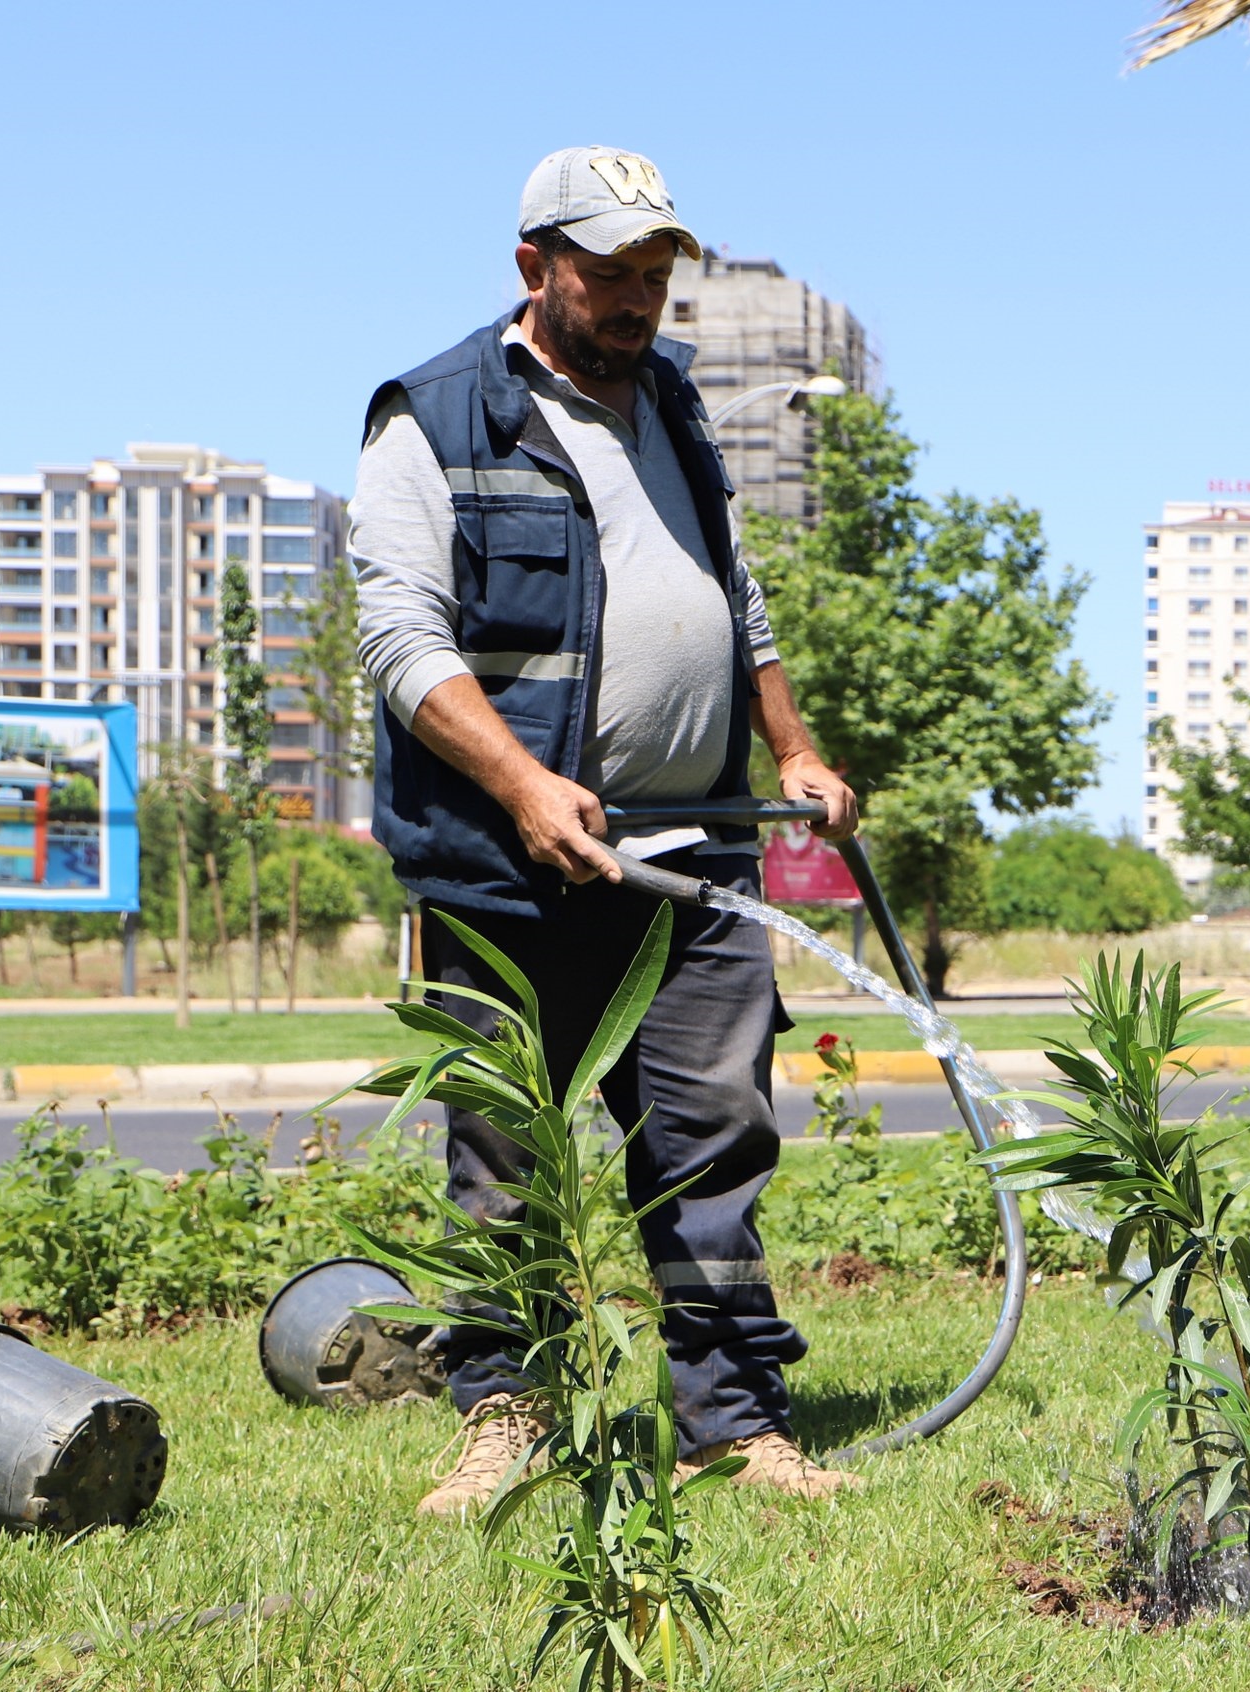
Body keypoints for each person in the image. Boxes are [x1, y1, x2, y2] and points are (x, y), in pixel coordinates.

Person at [354, 146, 865, 1513]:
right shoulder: (435, 418)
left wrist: (796, 747)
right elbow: (402, 640)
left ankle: (729, 1421)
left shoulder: (674, 407)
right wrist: (525, 785)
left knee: (714, 1143)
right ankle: (508, 1416)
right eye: (611, 273)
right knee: (511, 1152)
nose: (640, 299)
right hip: (513, 871)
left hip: (694, 856)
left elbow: (734, 602)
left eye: (656, 274)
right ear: (535, 267)